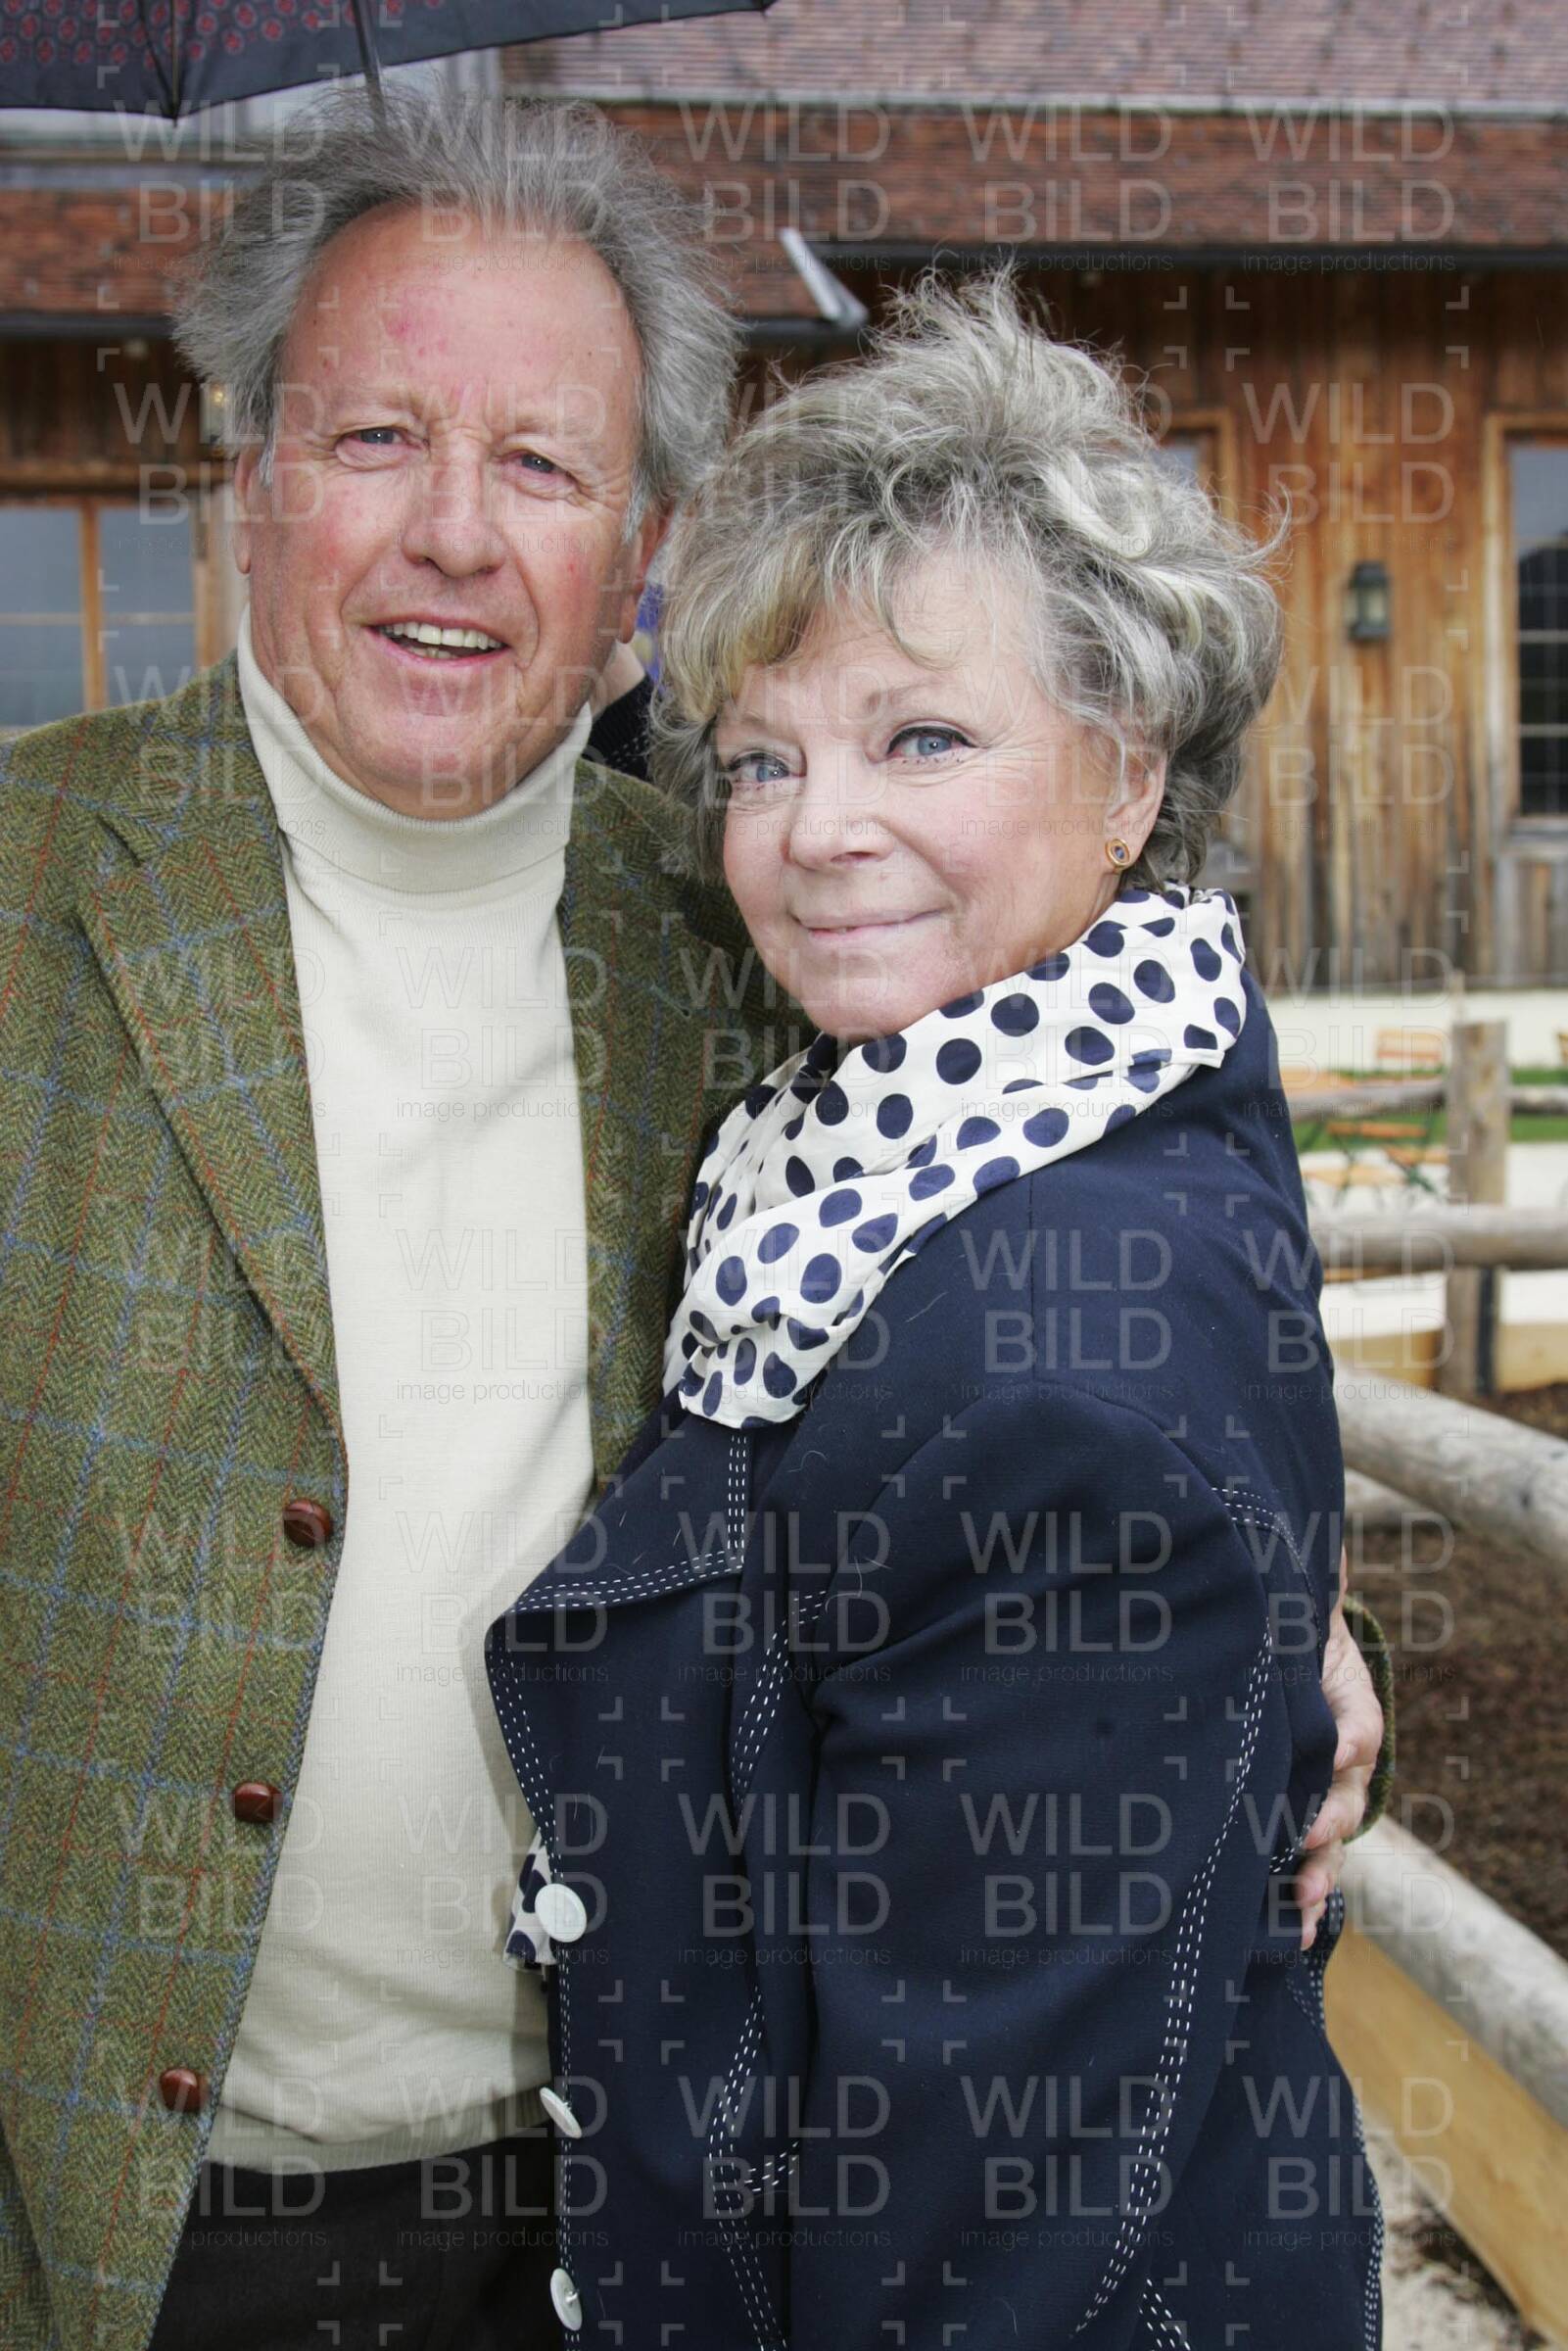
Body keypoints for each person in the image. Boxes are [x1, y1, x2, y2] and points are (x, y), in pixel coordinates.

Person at [0, 90, 1383, 2351]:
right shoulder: (22, 893)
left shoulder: (770, 936)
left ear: (641, 542)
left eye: (542, 465)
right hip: (114, 2228)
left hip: (633, 2213)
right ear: (245, 483)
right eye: (375, 439)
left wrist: (1261, 1624)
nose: (457, 534)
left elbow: (1072, 1351)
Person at [486, 273, 1386, 2349]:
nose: (819, 833)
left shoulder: (1049, 1360)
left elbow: (987, 2220)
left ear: (1128, 773)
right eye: (761, 761)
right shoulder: (995, 1104)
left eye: (925, 739)